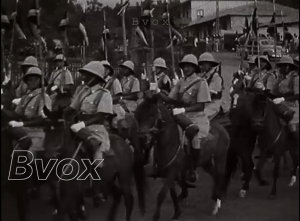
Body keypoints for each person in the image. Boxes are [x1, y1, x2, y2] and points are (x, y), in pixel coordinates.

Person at [150, 54, 211, 182]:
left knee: (193, 135)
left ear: (194, 68)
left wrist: (183, 109)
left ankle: (192, 168)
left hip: (196, 116)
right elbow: (170, 99)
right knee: (162, 131)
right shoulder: (181, 82)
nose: (185, 69)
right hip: (179, 115)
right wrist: (158, 93)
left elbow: (200, 105)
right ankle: (160, 164)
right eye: (184, 66)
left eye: (188, 66)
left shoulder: (201, 83)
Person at [63, 61, 114, 162]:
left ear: (94, 77)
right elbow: (71, 109)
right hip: (77, 127)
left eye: (86, 75)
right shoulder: (83, 92)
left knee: (97, 159)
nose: (83, 77)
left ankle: (95, 176)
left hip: (95, 130)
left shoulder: (104, 94)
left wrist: (82, 124)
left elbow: (101, 116)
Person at [1, 67, 51, 160]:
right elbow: (15, 115)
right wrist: (2, 108)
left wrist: (22, 123)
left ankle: (36, 173)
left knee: (30, 155)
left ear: (38, 80)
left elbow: (43, 119)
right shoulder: (25, 98)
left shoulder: (44, 97)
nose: (28, 83)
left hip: (37, 132)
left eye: (31, 80)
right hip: (23, 131)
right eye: (27, 80)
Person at [271, 56, 299, 150]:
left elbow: (298, 95)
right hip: (279, 106)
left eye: (281, 67)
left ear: (287, 67)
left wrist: (283, 99)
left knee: (292, 125)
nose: (279, 69)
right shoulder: (280, 79)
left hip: (293, 107)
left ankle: (296, 147)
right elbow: (273, 94)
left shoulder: (295, 79)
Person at [198, 52, 226, 120]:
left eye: (202, 64)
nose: (200, 67)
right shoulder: (204, 76)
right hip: (203, 105)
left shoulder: (216, 77)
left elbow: (208, 94)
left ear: (208, 65)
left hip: (213, 105)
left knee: (199, 118)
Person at [101, 60, 125, 129]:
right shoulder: (99, 83)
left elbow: (118, 96)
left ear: (109, 71)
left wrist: (107, 100)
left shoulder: (114, 81)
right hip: (102, 107)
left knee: (115, 123)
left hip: (114, 107)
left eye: (106, 69)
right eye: (102, 69)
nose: (104, 71)